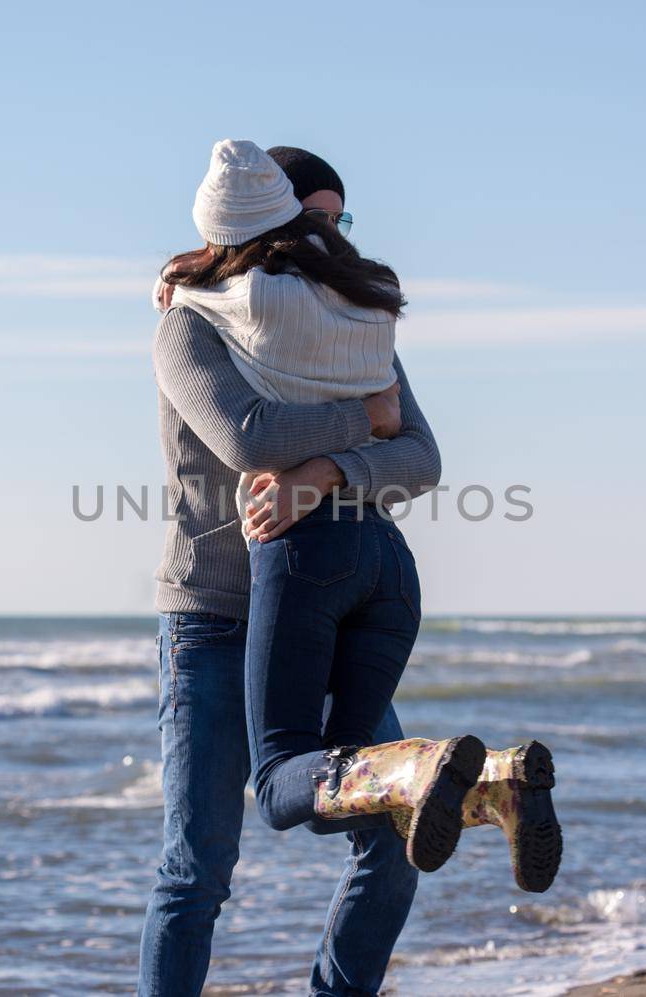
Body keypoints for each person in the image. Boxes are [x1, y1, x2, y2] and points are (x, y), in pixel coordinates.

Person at [158, 140, 561, 886]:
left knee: (316, 802)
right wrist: (363, 416)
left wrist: (323, 472)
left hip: (316, 588)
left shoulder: (346, 321)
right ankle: (496, 781)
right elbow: (252, 437)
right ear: (268, 224)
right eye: (311, 221)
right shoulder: (208, 317)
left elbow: (422, 456)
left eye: (341, 223)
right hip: (226, 608)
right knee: (241, 847)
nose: (327, 241)